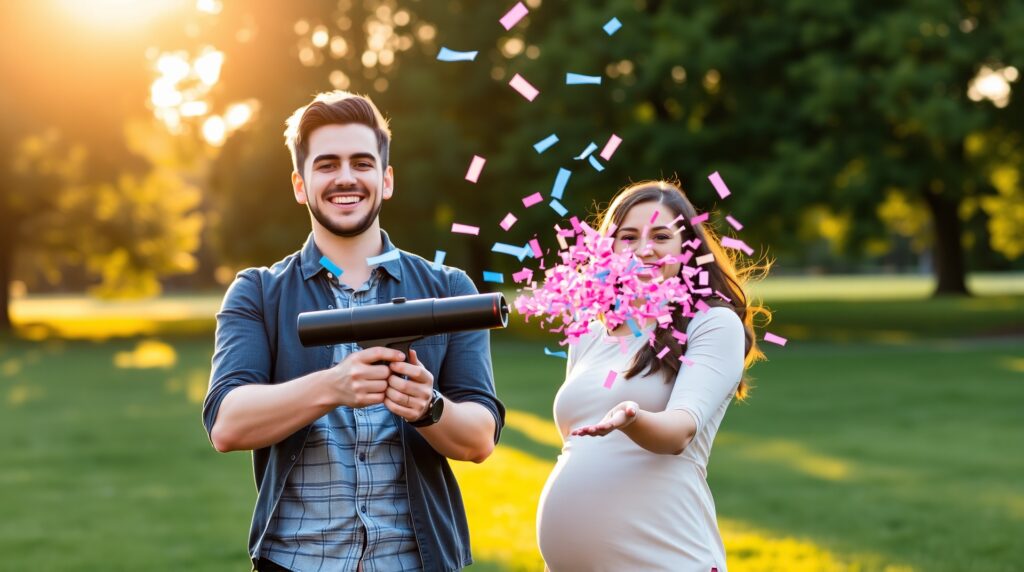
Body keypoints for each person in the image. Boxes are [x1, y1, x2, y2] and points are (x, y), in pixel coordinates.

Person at [202, 91, 505, 572]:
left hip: (418, 563)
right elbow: (228, 424)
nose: (345, 178)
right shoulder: (257, 292)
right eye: (327, 165)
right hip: (295, 562)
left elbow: (479, 439)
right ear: (301, 185)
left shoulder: (449, 290)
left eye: (361, 163)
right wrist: (333, 386)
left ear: (386, 181)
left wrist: (429, 408)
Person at [536, 180, 770, 571]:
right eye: (628, 237)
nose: (644, 249)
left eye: (661, 235)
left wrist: (632, 417)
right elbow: (580, 450)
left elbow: (679, 432)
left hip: (665, 556)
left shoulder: (712, 323)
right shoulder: (591, 331)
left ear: (687, 246)